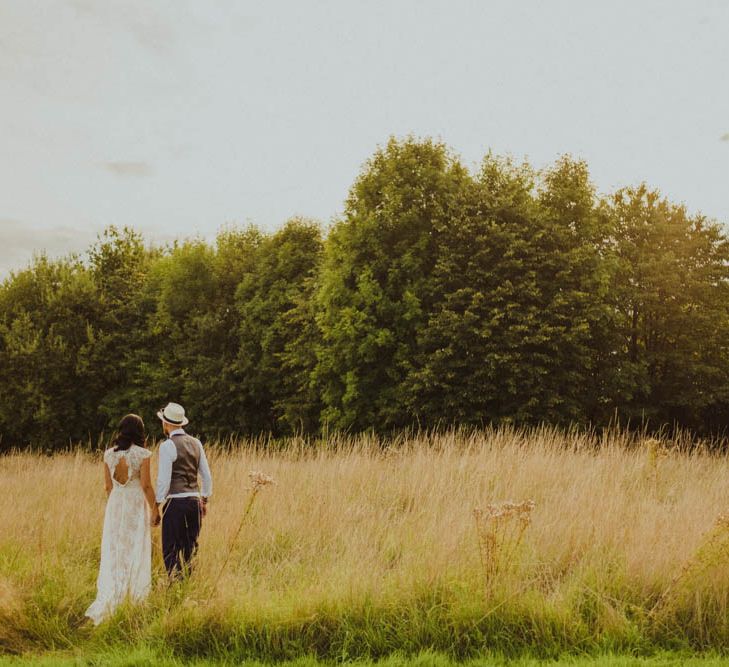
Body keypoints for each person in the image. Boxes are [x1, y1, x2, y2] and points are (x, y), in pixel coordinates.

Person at [85, 414, 160, 625]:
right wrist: (155, 509)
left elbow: (108, 487)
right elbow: (145, 485)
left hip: (116, 505)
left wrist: (115, 507)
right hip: (136, 505)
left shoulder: (109, 455)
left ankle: (112, 597)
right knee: (135, 549)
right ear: (140, 431)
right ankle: (132, 599)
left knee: (115, 551)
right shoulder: (143, 454)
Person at [155, 402, 213, 578]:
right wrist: (204, 499)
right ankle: (188, 583)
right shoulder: (196, 443)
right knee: (190, 547)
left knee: (171, 548)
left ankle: (174, 584)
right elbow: (206, 476)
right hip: (194, 501)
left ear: (166, 423)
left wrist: (156, 503)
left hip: (175, 503)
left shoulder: (167, 446)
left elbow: (163, 481)